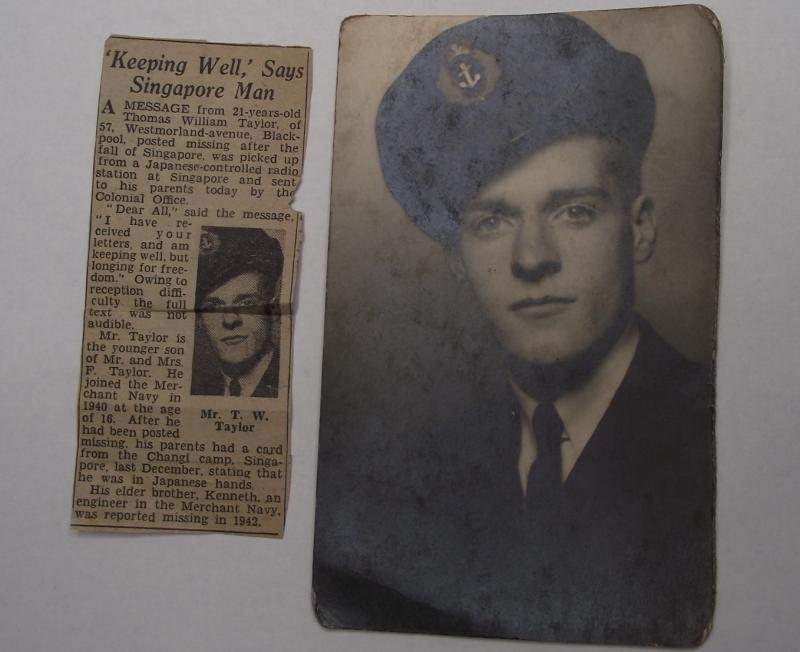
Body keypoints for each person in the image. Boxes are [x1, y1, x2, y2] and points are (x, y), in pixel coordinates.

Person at [314, 12, 716, 647]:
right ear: (457, 262)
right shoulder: (411, 475)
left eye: (575, 211)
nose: (532, 259)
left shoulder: (719, 436)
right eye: (492, 223)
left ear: (638, 228)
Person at [191, 227, 283, 398]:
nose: (230, 319)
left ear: (273, 310)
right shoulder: (199, 386)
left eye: (247, 303)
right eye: (212, 307)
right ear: (199, 319)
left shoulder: (293, 379)